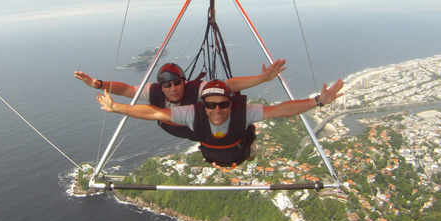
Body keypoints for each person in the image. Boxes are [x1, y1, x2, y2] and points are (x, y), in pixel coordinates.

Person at [96, 78, 344, 168]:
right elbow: (154, 113)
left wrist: (318, 102)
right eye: (210, 105)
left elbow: (280, 110)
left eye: (223, 105)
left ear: (231, 104)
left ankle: (249, 150)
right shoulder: (190, 113)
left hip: (240, 150)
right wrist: (117, 107)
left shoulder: (242, 113)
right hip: (212, 153)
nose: (216, 110)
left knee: (249, 147)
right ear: (202, 105)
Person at [75, 59, 286, 140]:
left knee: (241, 141)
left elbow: (229, 85)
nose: (174, 88)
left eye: (178, 83)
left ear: (184, 81)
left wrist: (262, 79)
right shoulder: (154, 91)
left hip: (205, 130)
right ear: (161, 86)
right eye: (168, 85)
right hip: (186, 131)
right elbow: (127, 89)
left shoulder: (197, 89)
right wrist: (100, 84)